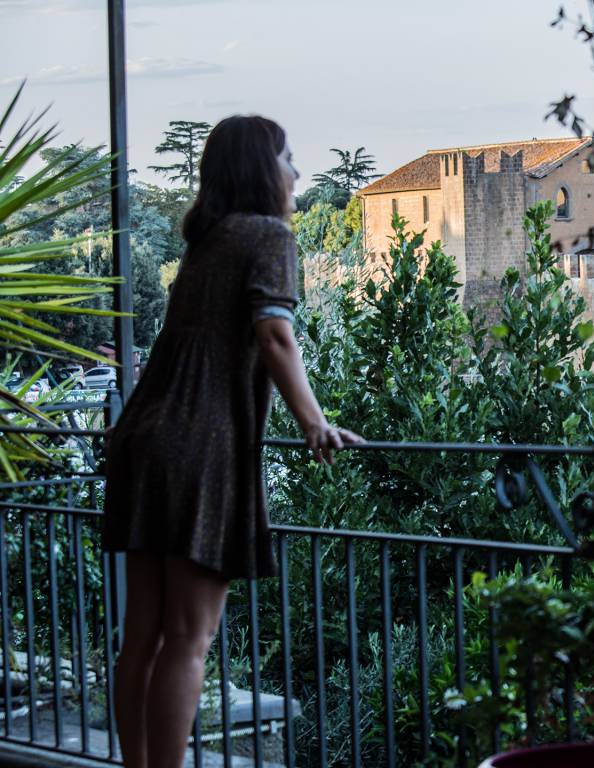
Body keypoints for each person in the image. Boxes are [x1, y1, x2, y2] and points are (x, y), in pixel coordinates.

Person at [101, 115, 362, 768]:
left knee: (143, 639)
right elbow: (275, 336)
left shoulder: (208, 240)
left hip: (146, 438)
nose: (297, 173)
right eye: (289, 158)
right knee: (190, 641)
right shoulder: (269, 235)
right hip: (200, 446)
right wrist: (313, 422)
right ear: (261, 169)